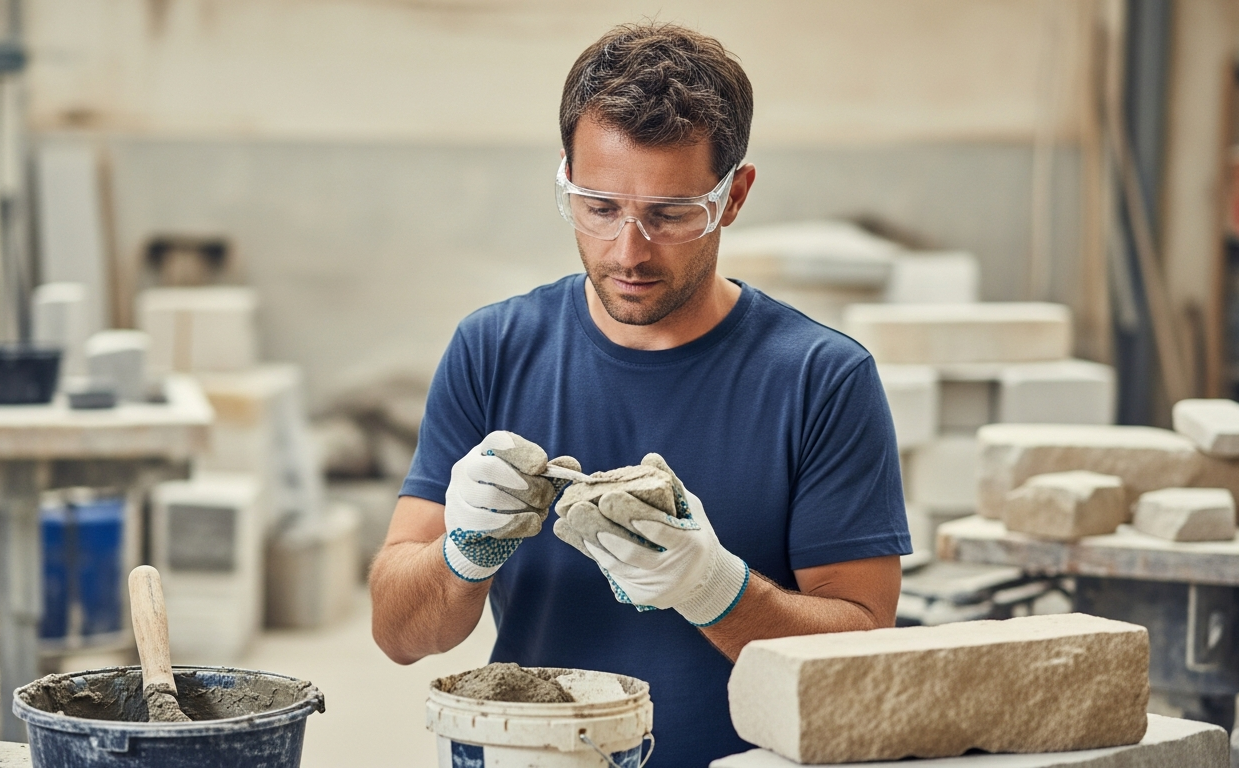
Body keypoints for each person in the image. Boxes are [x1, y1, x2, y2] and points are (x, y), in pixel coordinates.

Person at [370, 21, 910, 767]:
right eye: (599, 208)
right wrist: (463, 555)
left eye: (670, 214)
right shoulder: (493, 349)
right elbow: (399, 635)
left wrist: (714, 588)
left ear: (734, 195)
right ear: (565, 178)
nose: (628, 251)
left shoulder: (821, 379)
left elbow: (865, 656)